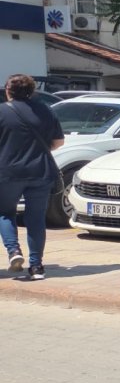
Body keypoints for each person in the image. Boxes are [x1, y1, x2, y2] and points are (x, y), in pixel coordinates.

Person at [0, 74, 65, 281]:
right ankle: (36, 267)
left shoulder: (1, 111)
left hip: (8, 173)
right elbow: (58, 142)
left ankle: (14, 252)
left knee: (4, 213)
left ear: (8, 91)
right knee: (36, 219)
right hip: (40, 171)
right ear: (32, 91)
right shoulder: (45, 110)